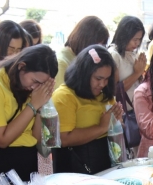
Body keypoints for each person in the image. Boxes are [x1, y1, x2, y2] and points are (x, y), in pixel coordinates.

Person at [0, 45, 56, 180]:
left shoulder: (31, 91)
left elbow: (36, 137)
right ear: (21, 66)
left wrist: (40, 107)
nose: (35, 87)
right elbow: (1, 140)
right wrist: (33, 106)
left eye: (42, 84)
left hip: (28, 161)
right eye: (35, 81)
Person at [51, 45, 122, 174]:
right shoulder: (65, 96)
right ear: (83, 73)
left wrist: (117, 121)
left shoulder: (104, 94)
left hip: (106, 166)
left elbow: (115, 128)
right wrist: (101, 127)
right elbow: (64, 139)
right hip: (76, 170)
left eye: (107, 79)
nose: (102, 84)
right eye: (98, 78)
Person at [54, 16, 109, 90]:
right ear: (85, 40)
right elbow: (63, 97)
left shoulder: (83, 58)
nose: (97, 51)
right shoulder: (61, 62)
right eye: (95, 45)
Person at [109, 16, 147, 105]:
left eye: (139, 39)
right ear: (124, 36)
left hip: (137, 108)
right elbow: (114, 91)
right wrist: (137, 73)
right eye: (135, 39)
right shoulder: (114, 55)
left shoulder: (132, 53)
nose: (137, 43)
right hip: (124, 113)